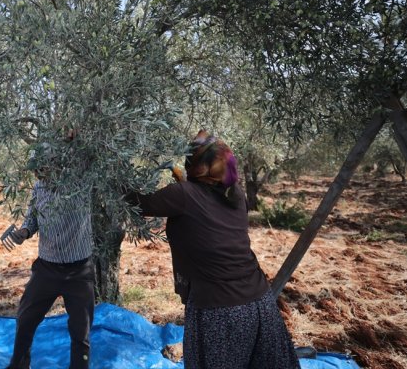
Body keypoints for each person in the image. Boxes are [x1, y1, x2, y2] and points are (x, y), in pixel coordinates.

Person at [125, 130, 300, 369]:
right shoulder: (236, 194)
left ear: (196, 166)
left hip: (219, 312)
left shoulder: (184, 195)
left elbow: (137, 202)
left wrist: (111, 167)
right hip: (260, 304)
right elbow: (205, 206)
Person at [1, 142, 94, 369]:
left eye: (42, 169)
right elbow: (31, 219)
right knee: (25, 320)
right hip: (46, 269)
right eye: (36, 170)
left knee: (80, 332)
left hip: (79, 271)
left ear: (56, 165)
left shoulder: (80, 183)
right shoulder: (39, 188)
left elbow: (88, 154)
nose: (38, 174)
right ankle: (19, 365)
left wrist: (75, 137)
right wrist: (23, 233)